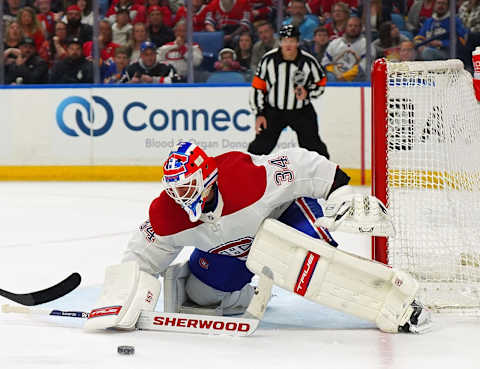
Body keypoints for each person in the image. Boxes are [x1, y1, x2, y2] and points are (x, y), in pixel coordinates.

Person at [85, 140, 432, 335]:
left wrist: (340, 195)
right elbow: (142, 254)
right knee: (200, 297)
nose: (181, 195)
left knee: (308, 263)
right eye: (175, 189)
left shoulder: (248, 179)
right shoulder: (167, 214)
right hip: (234, 252)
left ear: (207, 177)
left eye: (188, 185)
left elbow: (304, 165)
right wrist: (122, 295)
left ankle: (397, 304)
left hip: (286, 222)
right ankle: (244, 295)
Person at [248, 25, 330, 159]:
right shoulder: (268, 60)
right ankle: (246, 172)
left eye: (292, 40)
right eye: (285, 40)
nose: (288, 44)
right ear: (280, 42)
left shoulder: (308, 61)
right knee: (260, 147)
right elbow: (258, 87)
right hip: (273, 111)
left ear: (298, 42)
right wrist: (259, 113)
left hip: (301, 111)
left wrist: (308, 93)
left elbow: (321, 83)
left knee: (314, 147)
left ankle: (329, 176)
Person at [321, 16, 369, 82]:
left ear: (360, 28)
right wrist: (335, 73)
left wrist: (345, 76)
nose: (353, 28)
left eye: (356, 26)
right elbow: (325, 63)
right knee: (328, 76)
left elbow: (364, 66)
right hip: (336, 77)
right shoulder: (334, 43)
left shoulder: (366, 44)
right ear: (345, 27)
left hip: (357, 79)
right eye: (350, 26)